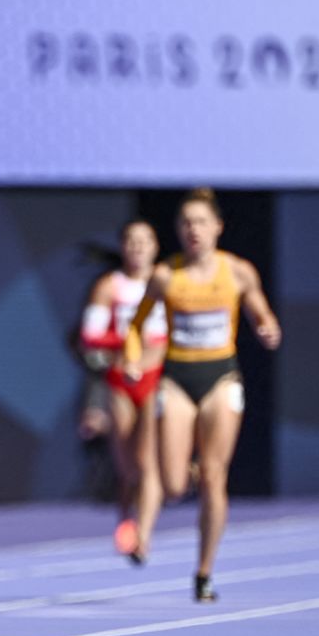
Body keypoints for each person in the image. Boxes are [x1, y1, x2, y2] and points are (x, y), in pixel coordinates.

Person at [125, 188, 282, 602]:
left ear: (217, 228)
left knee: (215, 477)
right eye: (186, 223)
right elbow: (137, 325)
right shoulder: (165, 275)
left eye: (201, 222)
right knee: (175, 485)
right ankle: (189, 470)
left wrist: (267, 328)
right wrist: (133, 358)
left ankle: (204, 571)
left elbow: (261, 312)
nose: (193, 230)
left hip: (221, 378)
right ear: (178, 230)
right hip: (177, 378)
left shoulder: (238, 272)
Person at [79, 220, 168, 563]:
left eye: (144, 241)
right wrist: (127, 339)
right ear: (123, 246)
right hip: (119, 380)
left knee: (148, 463)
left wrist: (157, 345)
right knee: (128, 466)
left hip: (156, 377)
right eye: (131, 241)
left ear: (155, 246)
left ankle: (143, 536)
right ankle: (126, 516)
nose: (137, 247)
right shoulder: (109, 286)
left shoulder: (165, 282)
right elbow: (90, 336)